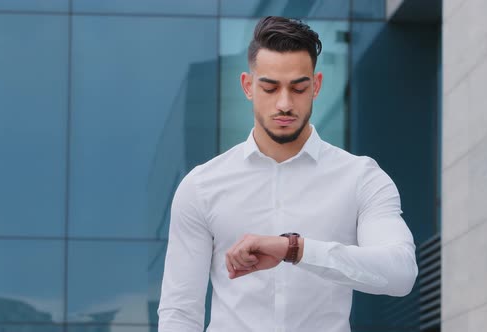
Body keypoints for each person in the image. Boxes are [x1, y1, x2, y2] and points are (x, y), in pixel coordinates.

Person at [158, 16, 418, 332]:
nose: (284, 103)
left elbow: (400, 273)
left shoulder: (361, 178)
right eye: (270, 87)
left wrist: (294, 249)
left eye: (298, 88)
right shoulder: (200, 186)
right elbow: (179, 312)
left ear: (317, 86)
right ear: (248, 86)